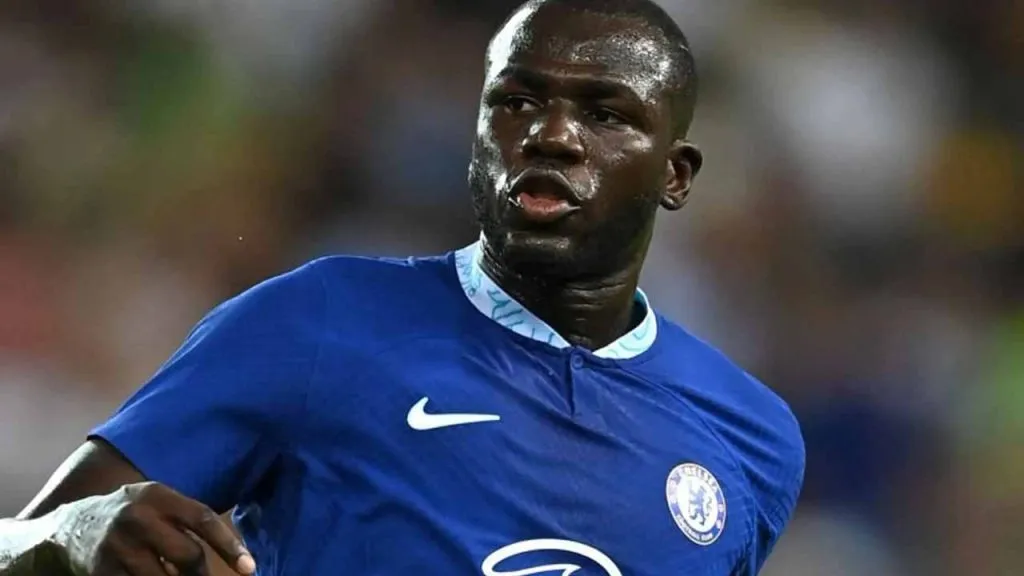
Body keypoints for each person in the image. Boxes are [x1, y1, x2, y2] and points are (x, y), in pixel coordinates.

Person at [0, 0, 805, 574]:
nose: (551, 134)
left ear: (675, 175)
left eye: (605, 114)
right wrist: (76, 530)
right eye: (516, 101)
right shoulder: (320, 318)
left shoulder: (753, 439)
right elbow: (20, 539)